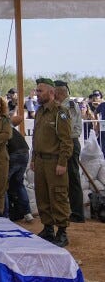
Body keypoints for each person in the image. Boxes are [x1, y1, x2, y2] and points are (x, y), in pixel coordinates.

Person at [32, 78, 73, 247]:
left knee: (58, 195)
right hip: (40, 161)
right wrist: (33, 159)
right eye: (36, 91)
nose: (37, 94)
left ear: (51, 92)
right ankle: (48, 228)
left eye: (40, 91)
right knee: (42, 195)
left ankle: (62, 232)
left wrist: (62, 162)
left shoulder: (60, 112)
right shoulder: (40, 112)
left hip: (55, 161)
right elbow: (36, 138)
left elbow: (66, 141)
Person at [54, 80, 85, 223]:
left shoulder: (69, 106)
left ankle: (78, 213)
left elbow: (68, 127)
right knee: (65, 178)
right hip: (67, 143)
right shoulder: (63, 105)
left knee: (73, 178)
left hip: (70, 142)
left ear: (59, 93)